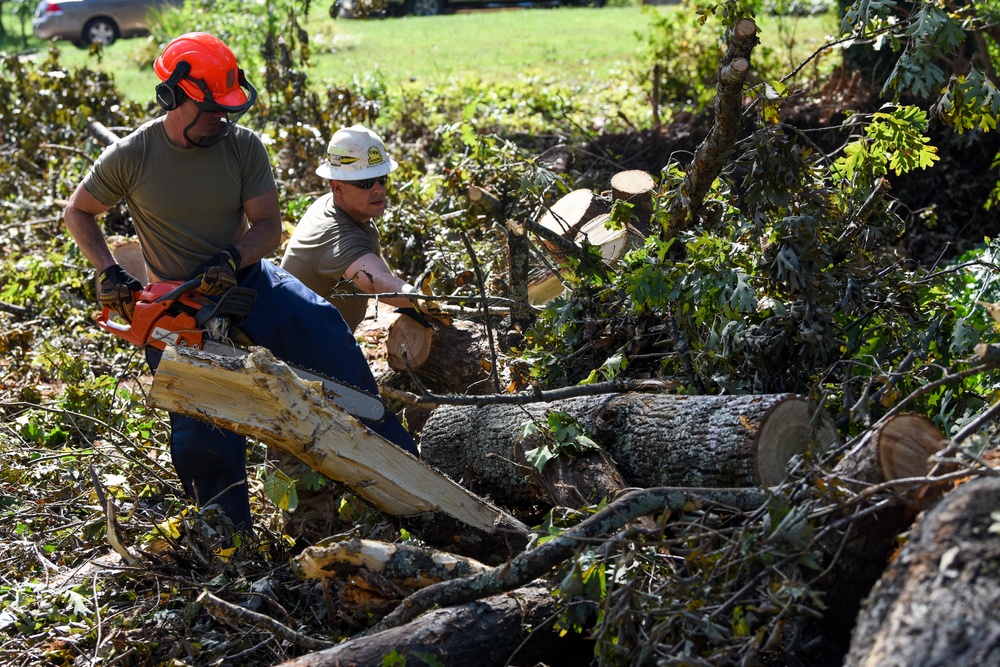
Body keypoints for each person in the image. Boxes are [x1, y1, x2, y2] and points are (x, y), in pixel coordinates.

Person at [62, 32, 418, 536]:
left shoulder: (243, 147)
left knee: (320, 326)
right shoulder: (133, 154)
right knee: (202, 434)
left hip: (246, 280)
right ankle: (229, 538)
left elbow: (268, 228)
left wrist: (233, 256)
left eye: (227, 108)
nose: (220, 118)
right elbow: (77, 211)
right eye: (210, 108)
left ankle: (402, 465)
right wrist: (108, 269)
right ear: (175, 98)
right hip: (176, 306)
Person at [280, 124, 449, 332]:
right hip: (296, 348)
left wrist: (408, 296)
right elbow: (374, 280)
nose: (378, 189)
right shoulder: (338, 235)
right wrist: (418, 298)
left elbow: (371, 262)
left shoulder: (345, 207)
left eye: (382, 179)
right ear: (338, 187)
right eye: (365, 182)